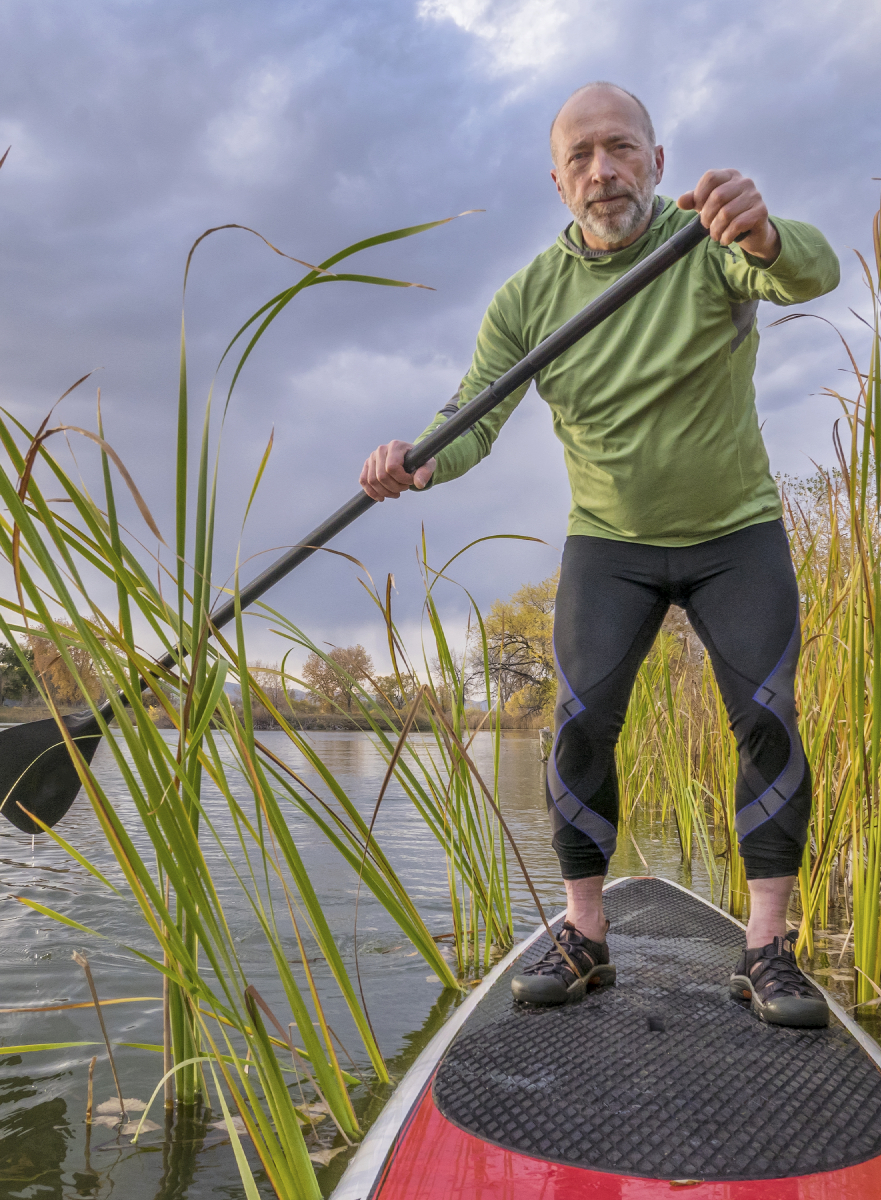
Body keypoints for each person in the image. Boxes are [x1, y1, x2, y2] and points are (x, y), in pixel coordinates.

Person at [359, 82, 839, 1027]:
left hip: (733, 534)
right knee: (578, 729)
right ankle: (585, 935)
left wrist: (764, 232)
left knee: (769, 723)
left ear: (657, 162)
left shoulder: (708, 241)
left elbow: (806, 275)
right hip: (609, 545)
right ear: (558, 179)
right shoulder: (528, 299)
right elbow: (472, 419)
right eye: (581, 156)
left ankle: (767, 950)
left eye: (621, 149)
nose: (603, 170)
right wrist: (411, 462)